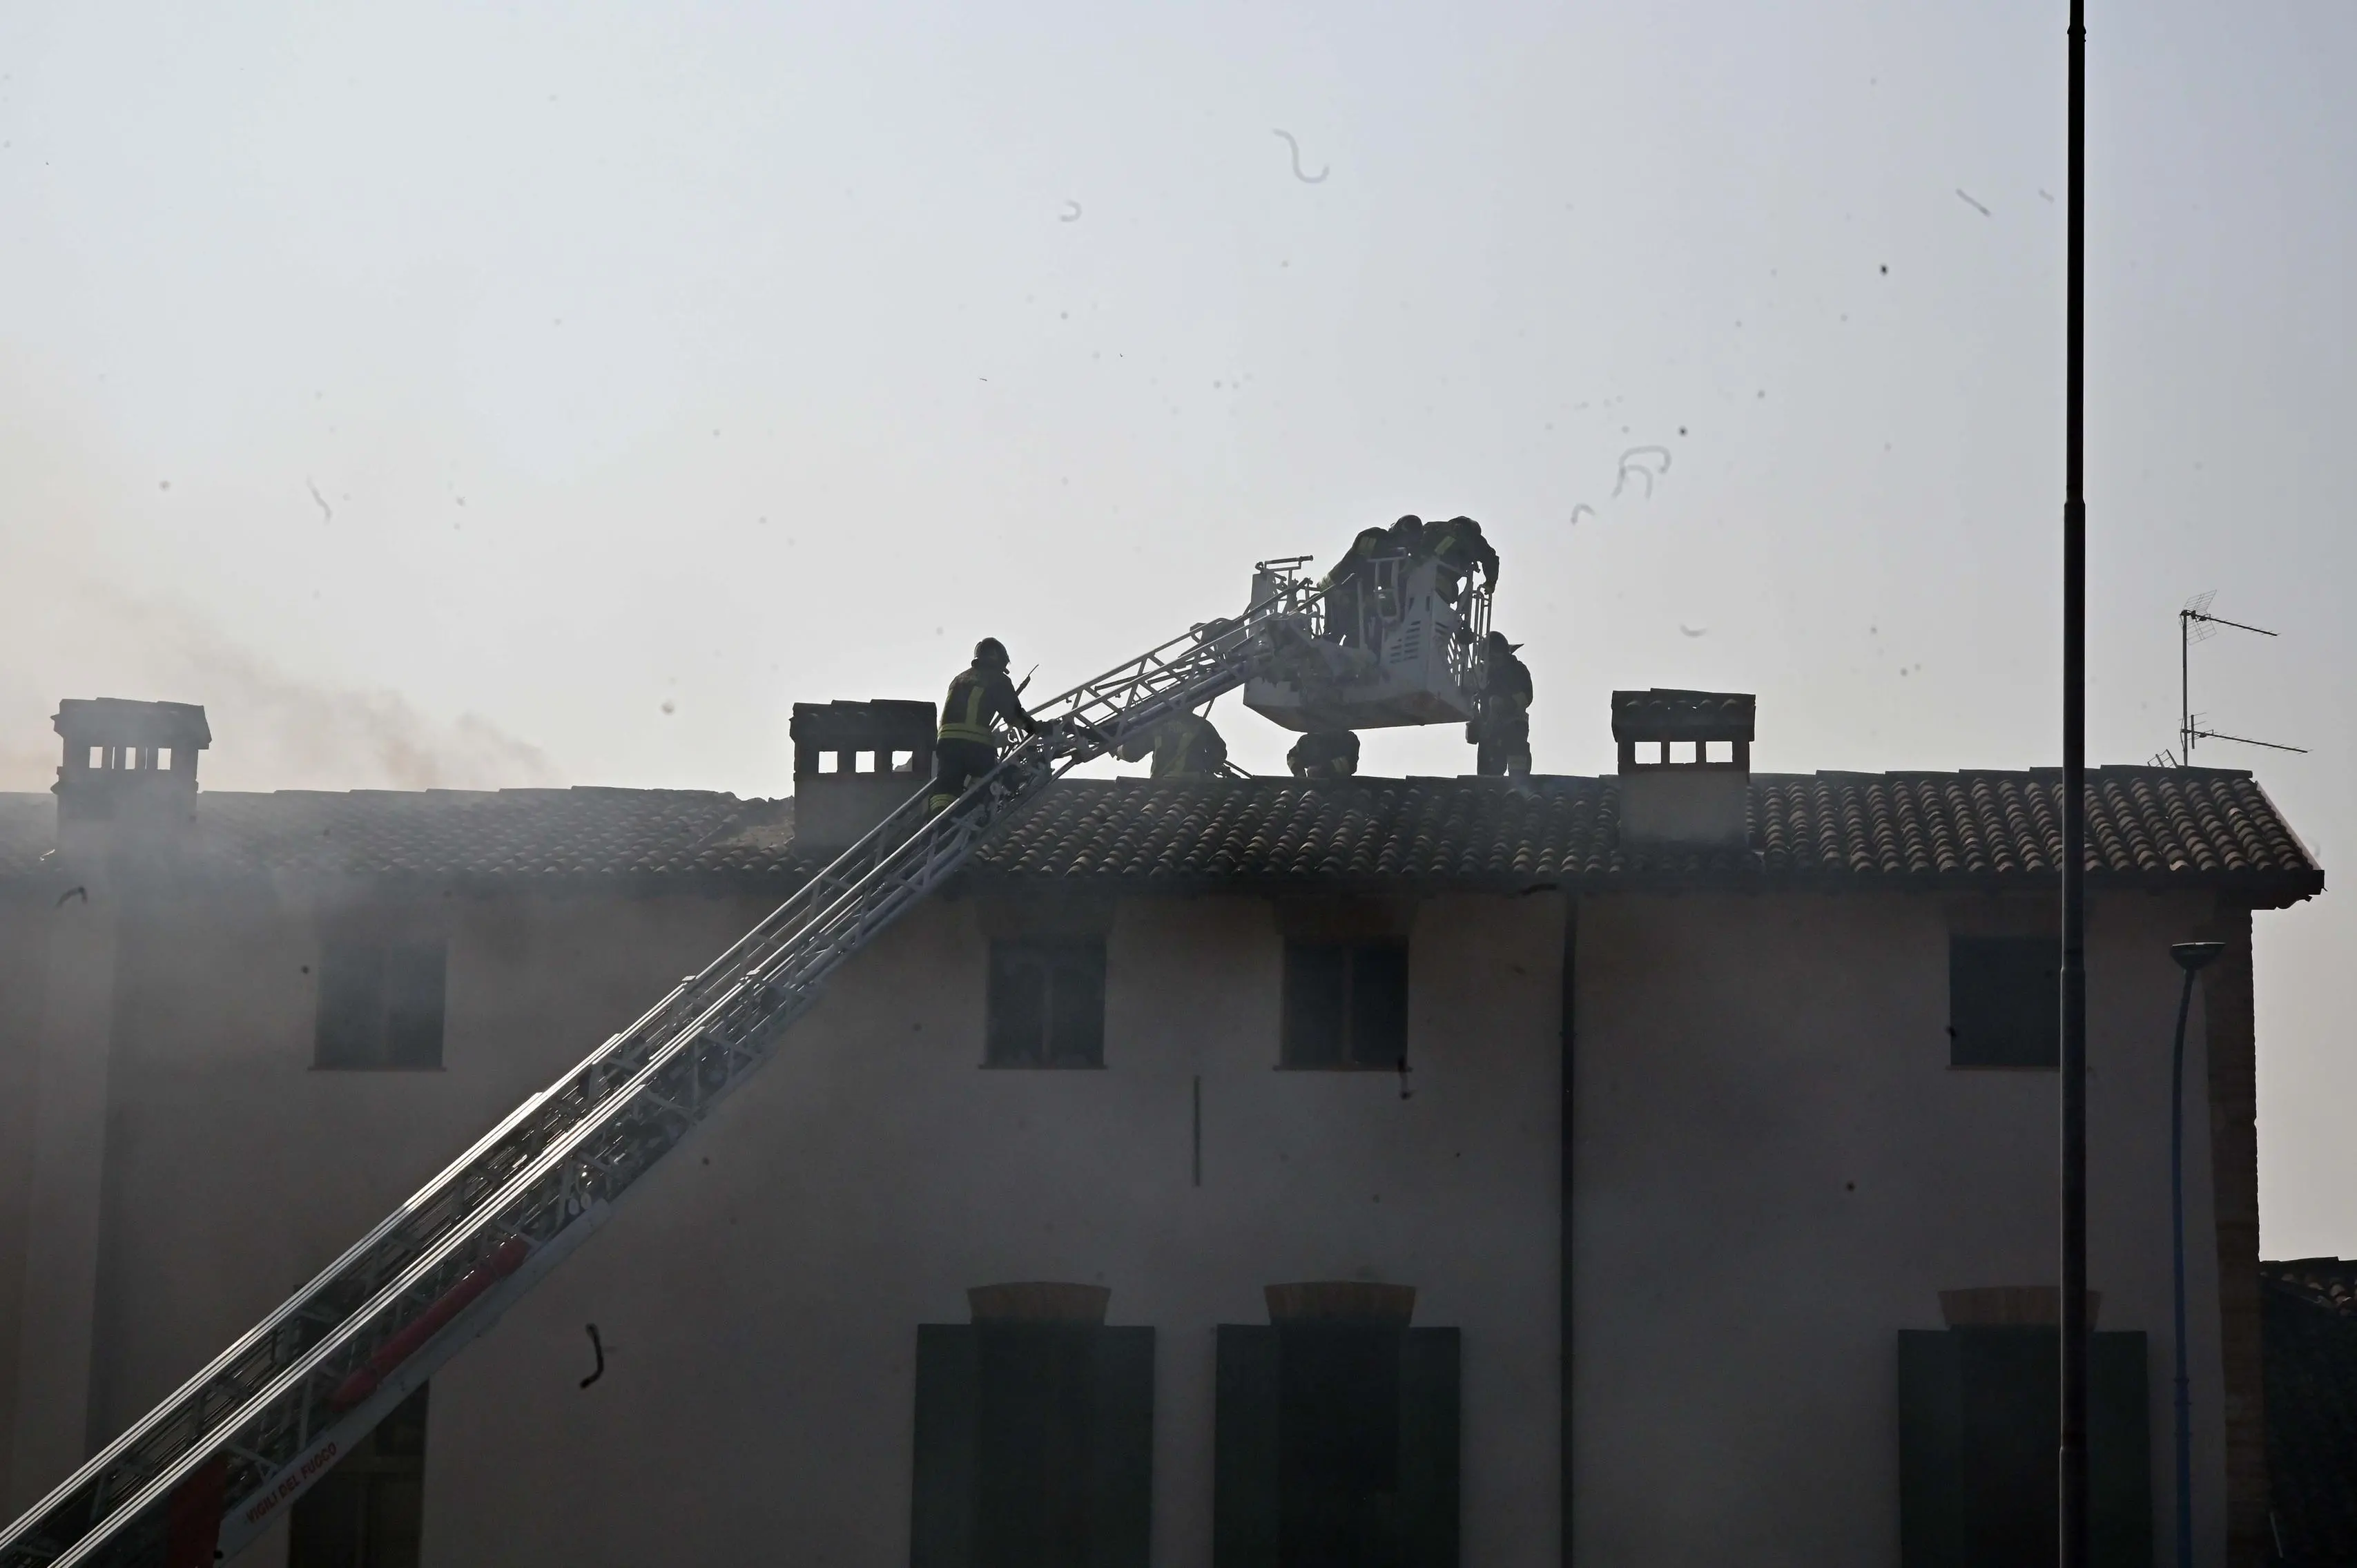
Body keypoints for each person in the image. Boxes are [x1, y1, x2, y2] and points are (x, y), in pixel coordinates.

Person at [929, 637, 1042, 811]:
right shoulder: (997, 679)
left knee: (947, 786)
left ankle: (939, 820)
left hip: (946, 743)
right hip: (974, 744)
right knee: (997, 774)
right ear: (999, 661)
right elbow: (1013, 715)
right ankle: (979, 807)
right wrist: (1035, 728)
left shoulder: (959, 679)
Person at [1319, 521, 1397, 647]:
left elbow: (1385, 581)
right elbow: (1361, 563)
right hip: (1339, 586)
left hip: (1349, 587)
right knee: (1347, 628)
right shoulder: (1375, 536)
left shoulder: (1388, 556)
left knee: (1355, 627)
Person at [1472, 630, 1533, 778]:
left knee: (1518, 777)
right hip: (1490, 732)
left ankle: (1518, 788)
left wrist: (1506, 704)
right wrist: (1475, 721)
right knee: (1486, 782)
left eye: (1493, 660)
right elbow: (1474, 701)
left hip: (1513, 726)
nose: (1490, 664)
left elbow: (1527, 696)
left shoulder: (1517, 670)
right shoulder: (1482, 676)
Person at [1115, 710, 1229, 777]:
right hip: (1194, 788)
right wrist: (1207, 769)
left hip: (1159, 788)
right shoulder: (1202, 725)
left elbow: (1131, 753)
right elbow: (1219, 753)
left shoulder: (1157, 725)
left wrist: (1115, 749)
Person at [1428, 515, 1500, 601]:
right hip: (1441, 585)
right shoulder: (1472, 537)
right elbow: (1490, 558)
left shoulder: (1435, 527)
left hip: (1414, 576)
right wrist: (1490, 583)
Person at [1286, 729, 1361, 782]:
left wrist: (1323, 769)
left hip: (1340, 787)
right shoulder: (1308, 740)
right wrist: (1299, 772)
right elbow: (1292, 756)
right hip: (1312, 788)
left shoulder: (1348, 738)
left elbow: (1350, 763)